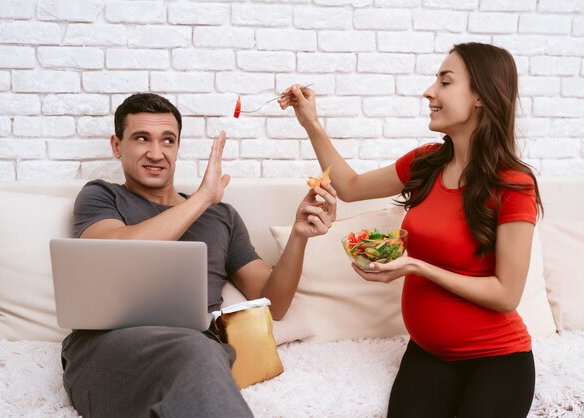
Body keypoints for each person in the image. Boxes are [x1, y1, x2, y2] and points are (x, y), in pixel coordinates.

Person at [280, 42, 541, 418]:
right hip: (429, 354)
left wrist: (415, 266)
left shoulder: (514, 184)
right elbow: (351, 187)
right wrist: (310, 123)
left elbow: (506, 294)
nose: (429, 91)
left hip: (499, 360)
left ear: (481, 96)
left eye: (445, 82)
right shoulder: (426, 163)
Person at [61, 92, 337, 417]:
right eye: (141, 138)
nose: (156, 152)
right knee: (198, 354)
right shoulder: (101, 196)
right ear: (117, 145)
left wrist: (298, 236)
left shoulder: (222, 217)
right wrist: (203, 198)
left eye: (167, 140)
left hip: (196, 350)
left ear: (177, 147)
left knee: (202, 354)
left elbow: (272, 304)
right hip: (107, 347)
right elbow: (116, 248)